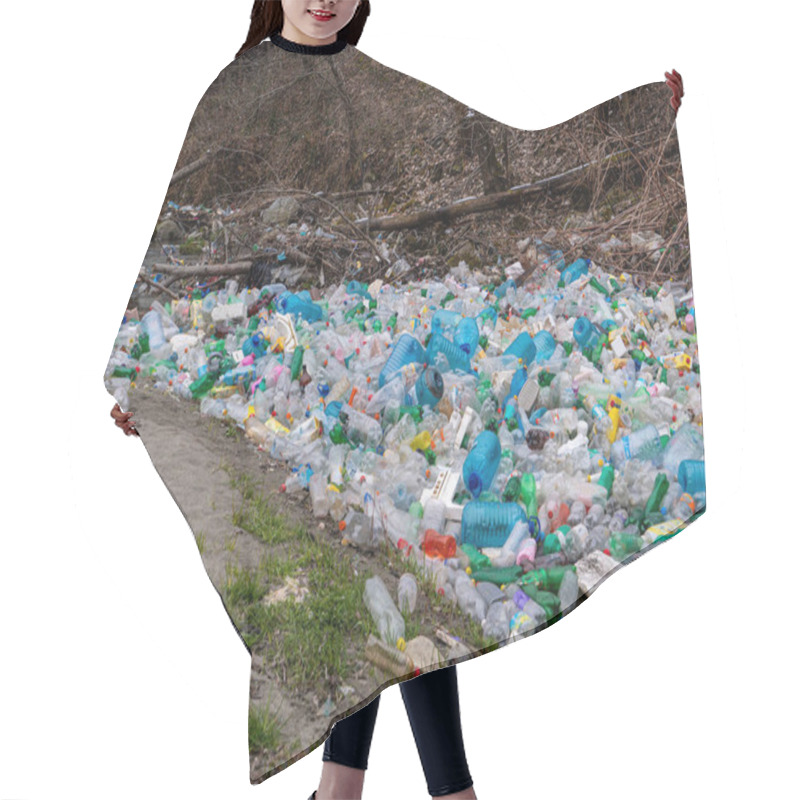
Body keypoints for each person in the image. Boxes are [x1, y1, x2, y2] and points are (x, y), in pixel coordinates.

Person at [108, 3, 686, 799]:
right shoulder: (235, 91)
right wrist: (146, 374)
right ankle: (434, 792)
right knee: (391, 571)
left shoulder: (369, 85)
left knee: (407, 559)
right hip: (289, 360)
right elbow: (177, 242)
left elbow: (521, 161)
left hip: (370, 360)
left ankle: (348, 789)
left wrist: (643, 123)